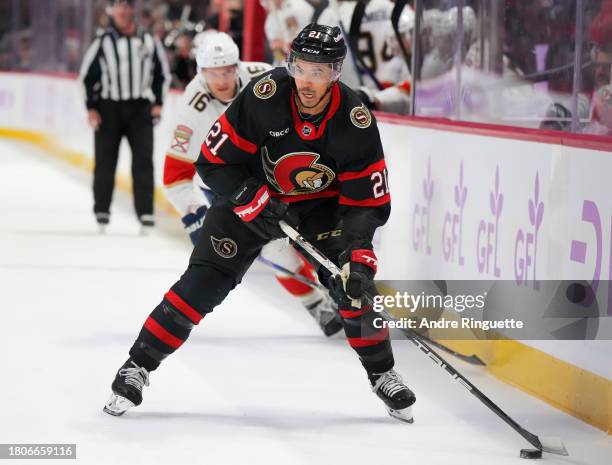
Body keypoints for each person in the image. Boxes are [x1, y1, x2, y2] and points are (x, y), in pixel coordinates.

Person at [103, 23, 416, 423]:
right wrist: (248, 194)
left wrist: (359, 253)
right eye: (300, 68)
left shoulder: (354, 120)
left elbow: (366, 203)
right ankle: (138, 366)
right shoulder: (265, 96)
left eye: (318, 72)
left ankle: (383, 373)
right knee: (201, 285)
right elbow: (213, 162)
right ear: (290, 64)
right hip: (252, 199)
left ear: (336, 73)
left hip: (320, 209)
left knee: (352, 287)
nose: (306, 81)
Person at [162, 31, 341, 336]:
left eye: (228, 70)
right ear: (200, 72)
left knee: (321, 233)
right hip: (236, 184)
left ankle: (345, 294)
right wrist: (195, 218)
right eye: (213, 73)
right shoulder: (192, 110)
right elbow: (174, 177)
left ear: (238, 65)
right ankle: (316, 305)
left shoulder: (262, 76)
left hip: (279, 168)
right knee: (275, 251)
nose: (222, 80)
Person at [78, 0, 171, 234]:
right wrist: (91, 108)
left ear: (131, 10)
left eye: (125, 5)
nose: (120, 10)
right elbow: (86, 77)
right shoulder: (102, 41)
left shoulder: (149, 40)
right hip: (108, 109)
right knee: (105, 162)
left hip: (140, 109)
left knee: (143, 162)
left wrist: (158, 103)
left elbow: (162, 74)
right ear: (112, 11)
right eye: (116, 6)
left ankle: (146, 214)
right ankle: (102, 212)